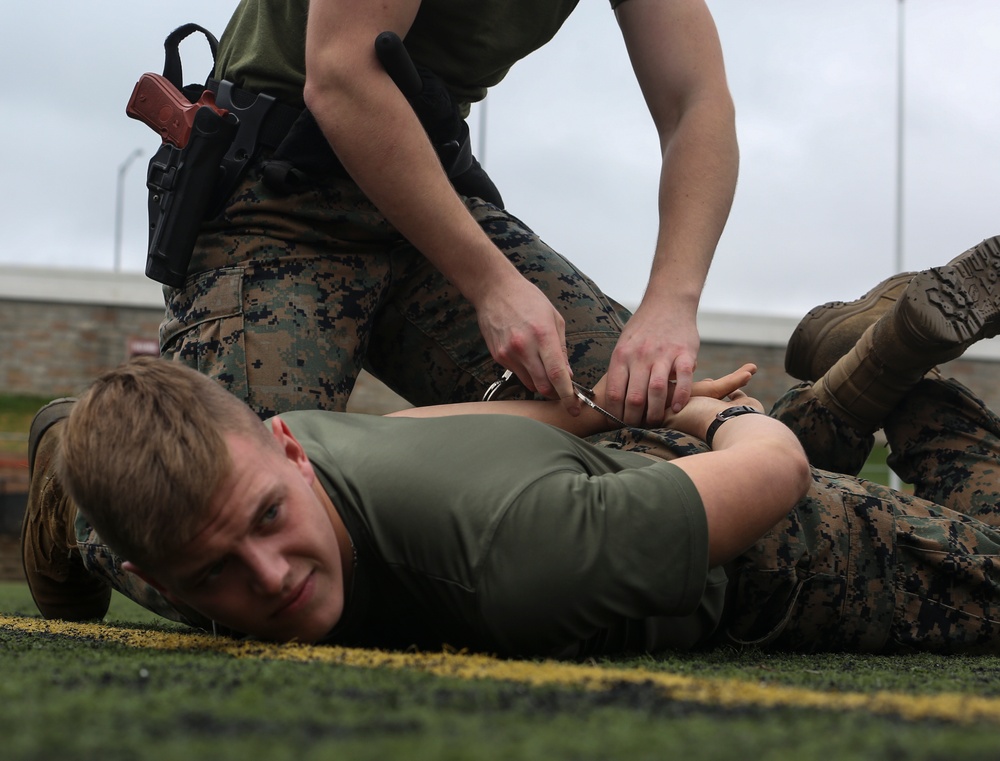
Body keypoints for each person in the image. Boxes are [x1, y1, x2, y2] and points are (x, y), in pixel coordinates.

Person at [22, 237, 1000, 655]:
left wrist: (703, 418)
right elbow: (405, 433)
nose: (270, 574)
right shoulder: (194, 515)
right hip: (588, 479)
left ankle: (900, 372)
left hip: (748, 548)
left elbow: (775, 472)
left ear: (288, 451)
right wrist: (600, 413)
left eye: (270, 520)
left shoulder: (516, 556)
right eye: (215, 568)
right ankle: (856, 369)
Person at [157, 0, 738, 427]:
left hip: (428, 203)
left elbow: (697, 103)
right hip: (277, 200)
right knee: (238, 494)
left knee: (635, 424)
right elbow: (340, 74)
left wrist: (670, 304)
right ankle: (69, 472)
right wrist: (492, 285)